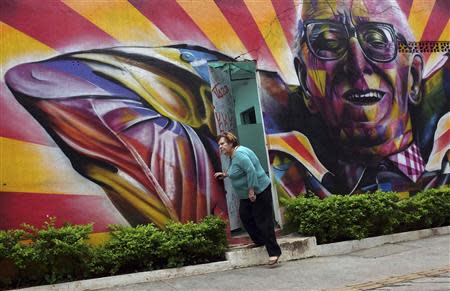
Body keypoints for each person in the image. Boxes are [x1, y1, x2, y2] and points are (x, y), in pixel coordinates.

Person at [263, 0, 449, 198]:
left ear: (413, 77)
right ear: (305, 81)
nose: (357, 66)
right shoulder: (293, 182)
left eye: (378, 40)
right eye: (329, 42)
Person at [214, 132, 282, 265]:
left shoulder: (239, 154)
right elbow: (239, 170)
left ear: (231, 143)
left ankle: (274, 253)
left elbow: (250, 170)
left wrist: (251, 190)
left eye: (222, 144)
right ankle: (260, 241)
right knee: (245, 217)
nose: (220, 147)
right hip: (247, 195)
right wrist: (225, 174)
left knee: (263, 221)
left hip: (259, 191)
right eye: (219, 145)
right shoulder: (233, 155)